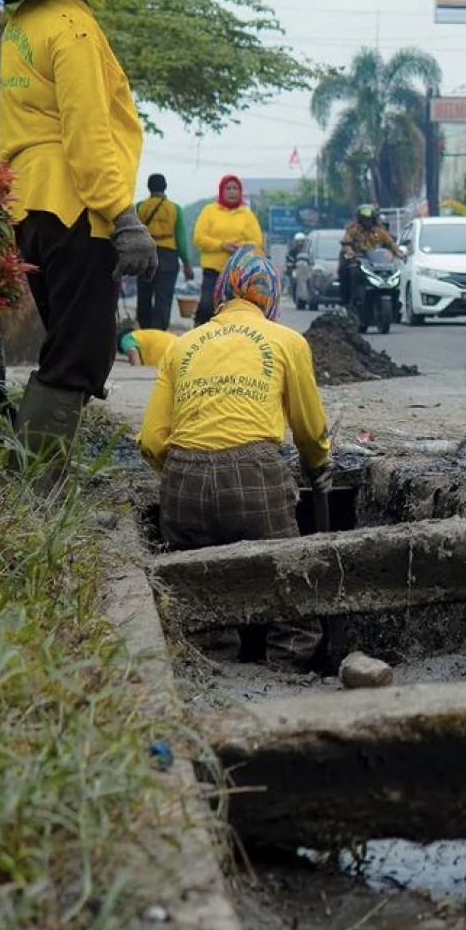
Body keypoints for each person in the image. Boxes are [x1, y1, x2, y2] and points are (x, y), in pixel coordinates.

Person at [0, 0, 167, 482]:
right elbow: (89, 137)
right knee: (81, 350)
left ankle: (33, 467)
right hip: (75, 209)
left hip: (28, 209)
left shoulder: (20, 27)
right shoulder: (73, 28)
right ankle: (38, 483)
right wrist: (124, 218)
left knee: (67, 342)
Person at [138, 247, 331, 663]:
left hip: (183, 480)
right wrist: (318, 468)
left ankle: (213, 671)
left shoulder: (181, 345)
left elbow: (153, 440)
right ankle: (286, 676)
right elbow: (310, 432)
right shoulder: (287, 342)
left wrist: (181, 472)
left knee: (198, 589)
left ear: (221, 292)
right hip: (255, 475)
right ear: (271, 297)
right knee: (289, 583)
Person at [192, 175, 263, 325]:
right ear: (221, 191)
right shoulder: (209, 211)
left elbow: (257, 242)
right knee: (206, 306)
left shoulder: (247, 215)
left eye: (235, 188)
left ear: (240, 192)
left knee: (235, 310)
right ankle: (198, 335)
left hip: (238, 273)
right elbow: (199, 238)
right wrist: (222, 245)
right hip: (213, 270)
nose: (232, 192)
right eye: (228, 188)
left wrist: (241, 247)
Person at [135, 173, 193, 330]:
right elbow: (180, 239)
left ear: (149, 187)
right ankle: (159, 332)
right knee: (164, 297)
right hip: (167, 257)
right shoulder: (175, 209)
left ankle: (144, 331)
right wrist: (186, 263)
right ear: (165, 186)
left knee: (144, 296)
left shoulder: (140, 207)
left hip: (144, 255)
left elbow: (133, 234)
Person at [339, 204, 397, 307]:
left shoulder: (380, 231)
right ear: (360, 220)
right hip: (358, 260)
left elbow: (390, 242)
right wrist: (350, 252)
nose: (367, 222)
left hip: (375, 261)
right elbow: (346, 243)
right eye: (364, 219)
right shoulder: (353, 230)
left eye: (369, 219)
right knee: (350, 272)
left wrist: (398, 251)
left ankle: (395, 301)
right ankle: (351, 299)